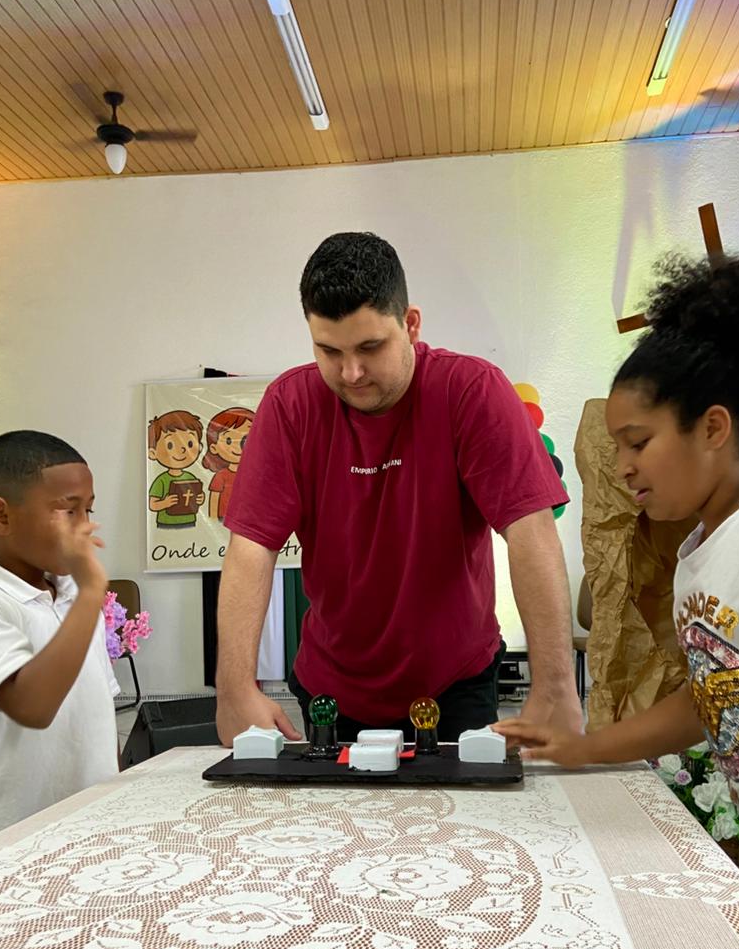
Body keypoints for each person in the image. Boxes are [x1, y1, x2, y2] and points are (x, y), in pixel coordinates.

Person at [494, 253, 739, 949]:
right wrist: (583, 749)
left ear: (713, 426)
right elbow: (711, 700)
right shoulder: (698, 553)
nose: (623, 466)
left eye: (638, 441)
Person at [216, 231, 581, 746]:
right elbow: (251, 547)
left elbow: (530, 531)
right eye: (329, 350)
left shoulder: (471, 391)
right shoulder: (289, 405)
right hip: (329, 688)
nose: (351, 372)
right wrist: (234, 688)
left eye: (370, 347)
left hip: (455, 685)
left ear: (410, 324)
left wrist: (556, 687)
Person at [0, 431, 119, 859]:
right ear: (1, 516)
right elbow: (32, 706)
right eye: (67, 510)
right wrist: (91, 593)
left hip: (87, 835)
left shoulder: (73, 596)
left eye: (88, 510)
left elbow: (97, 716)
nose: (84, 527)